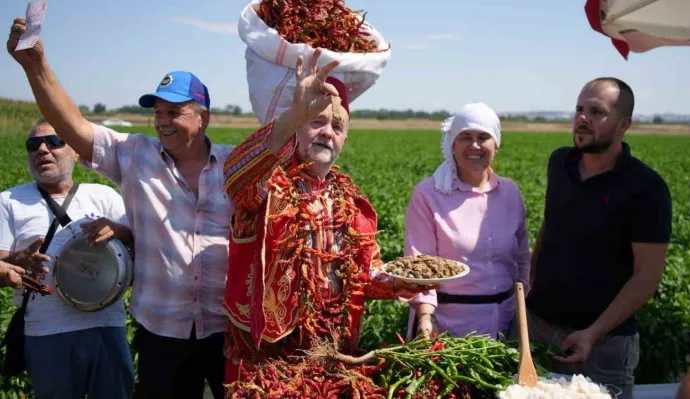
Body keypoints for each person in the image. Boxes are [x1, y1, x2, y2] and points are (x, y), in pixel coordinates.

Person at [8, 18, 233, 399]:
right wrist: (35, 65)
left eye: (174, 112)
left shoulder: (235, 165)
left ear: (203, 116)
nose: (162, 122)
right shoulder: (134, 156)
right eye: (158, 112)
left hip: (228, 329)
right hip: (163, 332)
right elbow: (72, 124)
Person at [221, 48, 435, 392]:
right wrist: (293, 114)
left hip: (334, 352)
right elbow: (234, 174)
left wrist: (397, 284)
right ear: (297, 128)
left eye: (337, 126)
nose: (327, 133)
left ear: (345, 139)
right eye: (316, 122)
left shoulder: (352, 202)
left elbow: (364, 274)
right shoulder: (266, 185)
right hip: (268, 355)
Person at [516, 77, 672, 399]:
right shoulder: (560, 163)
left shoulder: (646, 188)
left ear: (623, 124)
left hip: (604, 346)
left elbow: (646, 277)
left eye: (596, 112)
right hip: (541, 328)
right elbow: (551, 223)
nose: (582, 118)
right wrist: (532, 278)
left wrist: (592, 333)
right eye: (579, 109)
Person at [0, 119, 134, 399]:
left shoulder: (103, 195)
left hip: (106, 326)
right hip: (47, 331)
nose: (43, 150)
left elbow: (139, 247)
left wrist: (119, 230)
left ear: (76, 151)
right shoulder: (9, 201)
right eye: (33, 145)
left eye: (55, 142)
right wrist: (16, 260)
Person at [403, 103, 530, 341]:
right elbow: (419, 262)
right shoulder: (430, 195)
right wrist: (425, 318)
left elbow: (521, 256)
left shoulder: (510, 193)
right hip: (447, 326)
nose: (474, 145)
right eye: (465, 137)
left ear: (496, 144)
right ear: (452, 143)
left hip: (505, 322)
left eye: (483, 137)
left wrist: (522, 306)